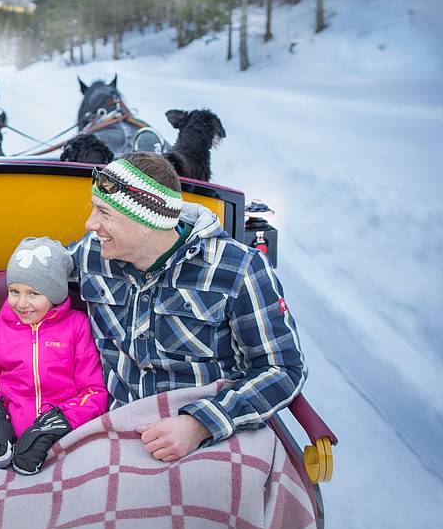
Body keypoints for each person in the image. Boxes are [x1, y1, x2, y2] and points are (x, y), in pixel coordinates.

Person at [71, 153, 306, 462]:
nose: (90, 224)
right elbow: (37, 274)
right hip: (117, 427)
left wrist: (200, 424)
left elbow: (283, 369)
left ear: (146, 222)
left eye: (104, 212)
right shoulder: (91, 253)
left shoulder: (240, 269)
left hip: (212, 436)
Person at [0, 237, 107, 475]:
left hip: (66, 433)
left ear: (55, 293)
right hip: (11, 434)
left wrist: (56, 424)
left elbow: (94, 391)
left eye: (34, 293)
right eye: (14, 291)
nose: (21, 303)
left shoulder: (77, 327)